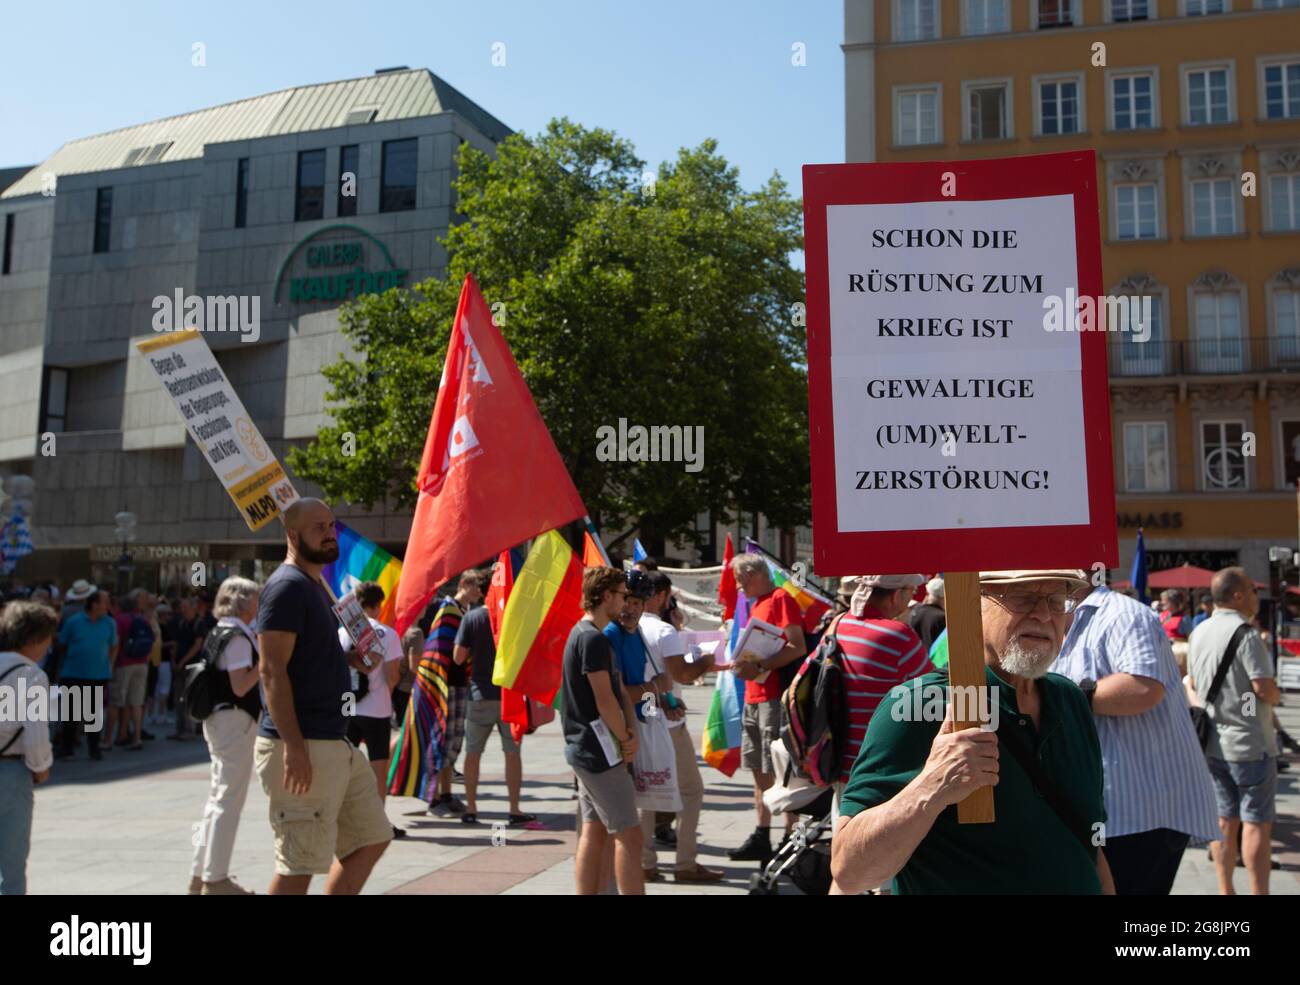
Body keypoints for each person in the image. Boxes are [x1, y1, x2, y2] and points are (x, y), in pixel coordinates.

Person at [831, 569, 1114, 895]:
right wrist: (932, 787)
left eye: (1056, 601)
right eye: (1023, 597)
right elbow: (850, 873)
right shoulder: (918, 705)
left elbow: (1088, 846)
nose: (1044, 614)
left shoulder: (1070, 699)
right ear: (971, 606)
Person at [254, 498, 391, 895]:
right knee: (299, 864)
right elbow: (271, 670)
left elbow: (308, 655)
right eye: (318, 527)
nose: (330, 533)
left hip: (334, 740)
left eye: (331, 525)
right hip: (303, 742)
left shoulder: (315, 586)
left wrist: (351, 659)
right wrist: (294, 747)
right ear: (292, 535)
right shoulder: (287, 587)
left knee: (372, 837)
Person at [1052, 584, 1220, 895]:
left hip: (1142, 809)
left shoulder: (1124, 614)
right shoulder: (1061, 615)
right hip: (1107, 808)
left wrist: (1057, 694)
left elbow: (1142, 688)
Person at [1187, 566, 1281, 895]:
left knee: (1224, 821)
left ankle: (1225, 890)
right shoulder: (1247, 635)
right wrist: (1268, 700)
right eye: (1253, 591)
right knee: (1256, 822)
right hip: (1249, 743)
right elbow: (1260, 688)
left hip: (1213, 741)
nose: (1257, 597)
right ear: (1238, 595)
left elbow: (1194, 682)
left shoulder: (1199, 631)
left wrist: (1241, 703)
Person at [562, 566, 644, 895]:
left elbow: (614, 692)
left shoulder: (583, 633)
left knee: (594, 831)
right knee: (630, 835)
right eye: (623, 595)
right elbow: (604, 698)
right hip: (599, 751)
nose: (625, 602)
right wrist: (625, 738)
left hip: (587, 748)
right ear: (606, 596)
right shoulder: (592, 638)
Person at [639, 570, 722, 883]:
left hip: (641, 716)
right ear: (661, 596)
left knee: (645, 791)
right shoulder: (663, 631)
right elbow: (683, 674)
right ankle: (685, 863)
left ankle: (644, 861)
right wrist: (708, 661)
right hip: (668, 722)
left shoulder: (626, 627)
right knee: (691, 790)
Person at [727, 552, 807, 863]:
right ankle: (762, 834)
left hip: (773, 696)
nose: (737, 586)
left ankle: (790, 837)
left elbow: (797, 646)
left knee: (779, 769)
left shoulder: (780, 598)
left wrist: (760, 665)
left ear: (752, 575)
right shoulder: (757, 602)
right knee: (758, 769)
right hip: (753, 695)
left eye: (739, 579)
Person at [189, 577, 263, 896]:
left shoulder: (219, 630)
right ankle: (215, 878)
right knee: (228, 801)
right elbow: (240, 686)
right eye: (256, 598)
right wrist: (264, 661)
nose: (259, 604)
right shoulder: (238, 638)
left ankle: (201, 873)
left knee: (218, 798)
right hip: (234, 720)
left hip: (221, 720)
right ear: (244, 603)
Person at [833, 575, 933, 811]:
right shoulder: (898, 634)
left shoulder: (840, 623)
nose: (912, 600)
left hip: (838, 759)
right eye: (911, 592)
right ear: (896, 596)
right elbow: (934, 693)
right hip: (879, 767)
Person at [454, 593, 535, 827]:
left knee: (473, 753)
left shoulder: (472, 617)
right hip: (509, 695)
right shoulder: (516, 616)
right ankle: (514, 809)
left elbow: (458, 657)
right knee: (512, 753)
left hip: (479, 695)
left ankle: (471, 808)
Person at [338, 581, 406, 839]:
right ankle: (378, 823)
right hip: (377, 707)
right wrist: (386, 692)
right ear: (378, 605)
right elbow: (393, 675)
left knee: (345, 765)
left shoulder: (342, 632)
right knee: (378, 766)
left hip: (348, 705)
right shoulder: (386, 633)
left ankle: (344, 819)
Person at [414, 571, 484, 816]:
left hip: (459, 683)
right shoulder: (448, 610)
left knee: (453, 741)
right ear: (463, 584)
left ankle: (446, 793)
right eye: (476, 586)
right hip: (444, 685)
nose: (479, 592)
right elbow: (439, 648)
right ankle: (435, 798)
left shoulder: (464, 612)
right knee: (442, 740)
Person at [0, 601, 57, 894]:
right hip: (10, 772)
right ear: (34, 638)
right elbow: (36, 735)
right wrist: (41, 767)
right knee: (10, 868)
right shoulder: (31, 675)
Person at [55, 589, 116, 761]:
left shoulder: (109, 623)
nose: (108, 606)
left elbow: (113, 645)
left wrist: (108, 664)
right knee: (71, 714)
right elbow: (62, 644)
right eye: (105, 602)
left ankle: (94, 748)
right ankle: (67, 748)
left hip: (98, 675)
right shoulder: (74, 622)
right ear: (94, 604)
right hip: (73, 673)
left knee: (93, 714)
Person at [109, 588, 154, 751]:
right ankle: (137, 737)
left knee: (116, 702)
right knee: (136, 702)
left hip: (124, 663)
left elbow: (116, 644)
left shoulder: (119, 620)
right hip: (142, 663)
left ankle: (108, 739)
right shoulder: (143, 619)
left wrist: (110, 666)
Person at [169, 596, 202, 742]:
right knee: (178, 699)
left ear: (193, 608)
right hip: (179, 667)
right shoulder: (181, 623)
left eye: (185, 607)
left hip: (192, 666)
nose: (182, 610)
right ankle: (180, 728)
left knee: (189, 698)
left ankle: (190, 729)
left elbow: (198, 645)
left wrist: (183, 661)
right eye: (181, 607)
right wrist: (174, 660)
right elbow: (176, 644)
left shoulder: (198, 623)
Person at [904, 577, 947, 653]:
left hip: (917, 657)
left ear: (927, 593)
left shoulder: (915, 611)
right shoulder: (942, 617)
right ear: (944, 597)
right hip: (933, 659)